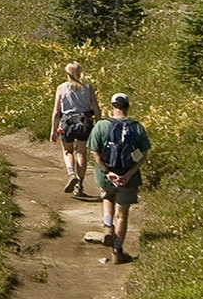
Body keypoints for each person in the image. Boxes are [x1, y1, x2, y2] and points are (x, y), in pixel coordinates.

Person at [88, 91, 151, 264]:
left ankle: (108, 226)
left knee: (107, 197)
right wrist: (129, 173)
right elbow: (143, 154)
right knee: (122, 215)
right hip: (128, 177)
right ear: (127, 107)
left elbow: (94, 152)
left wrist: (107, 172)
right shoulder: (137, 127)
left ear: (112, 107)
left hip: (106, 176)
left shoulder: (101, 126)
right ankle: (117, 251)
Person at [49, 61, 98, 196]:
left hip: (67, 122)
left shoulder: (61, 88)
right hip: (85, 121)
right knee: (81, 153)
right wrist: (98, 125)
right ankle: (80, 185)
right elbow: (96, 108)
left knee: (67, 151)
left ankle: (71, 173)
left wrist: (53, 129)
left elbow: (56, 112)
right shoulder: (88, 88)